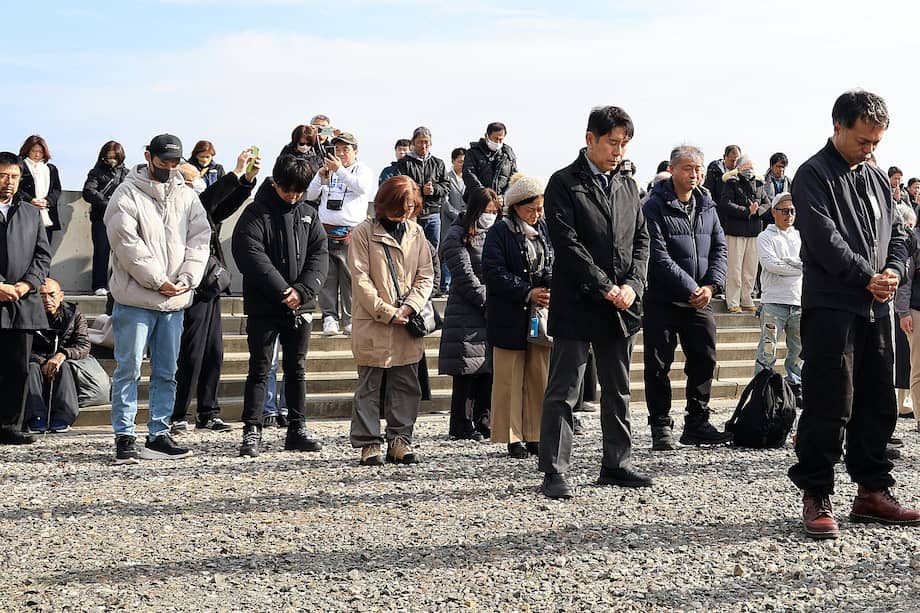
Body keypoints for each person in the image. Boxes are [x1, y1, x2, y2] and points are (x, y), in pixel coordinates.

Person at [788, 89, 919, 539]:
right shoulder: (812, 175)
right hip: (831, 305)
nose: (870, 150)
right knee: (829, 401)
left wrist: (894, 271)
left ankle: (871, 491)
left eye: (876, 143)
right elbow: (824, 239)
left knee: (878, 399)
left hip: (876, 306)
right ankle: (817, 492)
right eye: (863, 141)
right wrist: (866, 275)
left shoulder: (878, 177)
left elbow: (900, 232)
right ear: (838, 127)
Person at [538, 106, 650, 499]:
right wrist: (604, 285)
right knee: (565, 389)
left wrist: (634, 284)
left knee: (617, 387)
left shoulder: (628, 185)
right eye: (611, 143)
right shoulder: (564, 183)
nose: (617, 152)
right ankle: (554, 470)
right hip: (578, 301)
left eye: (623, 144)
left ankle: (616, 463)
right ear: (590, 139)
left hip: (621, 304)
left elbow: (641, 239)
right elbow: (567, 244)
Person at [105, 134, 211, 464]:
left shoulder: (187, 195)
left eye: (174, 163)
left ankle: (158, 433)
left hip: (174, 299)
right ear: (149, 156)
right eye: (163, 162)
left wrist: (187, 278)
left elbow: (200, 238)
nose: (169, 168)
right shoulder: (125, 194)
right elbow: (126, 244)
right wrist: (158, 280)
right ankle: (124, 435)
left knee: (167, 370)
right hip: (136, 298)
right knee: (129, 368)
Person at [232, 154, 329, 458]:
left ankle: (297, 428)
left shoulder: (309, 215)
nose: (293, 196)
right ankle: (252, 429)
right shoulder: (256, 213)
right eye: (289, 190)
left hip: (300, 307)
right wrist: (282, 290)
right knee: (260, 368)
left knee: (296, 369)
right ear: (276, 182)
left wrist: (301, 291)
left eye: (300, 191)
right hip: (264, 305)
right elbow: (249, 253)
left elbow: (319, 256)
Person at [642, 145, 730, 451]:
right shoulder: (653, 207)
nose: (694, 174)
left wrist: (711, 286)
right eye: (688, 168)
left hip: (700, 298)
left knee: (705, 357)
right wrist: (690, 287)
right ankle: (660, 424)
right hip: (663, 298)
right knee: (657, 364)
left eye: (699, 169)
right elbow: (658, 255)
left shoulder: (707, 205)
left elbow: (720, 248)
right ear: (673, 169)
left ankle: (697, 421)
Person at [170, 148, 262, 434]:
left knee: (214, 351)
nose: (198, 184)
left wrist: (246, 181)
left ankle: (208, 411)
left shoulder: (199, 205)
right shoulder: (179, 204)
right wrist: (234, 173)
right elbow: (208, 199)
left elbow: (222, 207)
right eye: (193, 180)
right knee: (191, 351)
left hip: (210, 285)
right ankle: (179, 413)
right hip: (188, 284)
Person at [348, 175, 434, 466]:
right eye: (402, 206)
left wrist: (410, 307)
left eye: (411, 206)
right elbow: (360, 279)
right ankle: (368, 443)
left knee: (406, 384)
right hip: (373, 320)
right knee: (369, 385)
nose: (407, 212)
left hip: (407, 321)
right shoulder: (362, 233)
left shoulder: (416, 232)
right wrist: (386, 311)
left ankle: (400, 440)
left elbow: (426, 275)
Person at [483, 175, 553, 458]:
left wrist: (548, 286)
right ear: (515, 207)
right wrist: (527, 291)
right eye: (530, 210)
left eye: (540, 209)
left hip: (539, 316)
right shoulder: (499, 232)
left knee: (539, 376)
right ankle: (512, 436)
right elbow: (493, 272)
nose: (536, 215)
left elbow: (553, 260)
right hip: (510, 313)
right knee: (509, 378)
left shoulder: (545, 230)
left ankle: (536, 432)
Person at [0, 151, 51, 445]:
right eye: (4, 175)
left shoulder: (31, 213)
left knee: (18, 368)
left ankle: (9, 425)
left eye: (15, 177)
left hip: (23, 301)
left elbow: (43, 256)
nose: (9, 182)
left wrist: (27, 285)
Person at [441, 187, 499, 441]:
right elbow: (464, 276)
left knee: (487, 368)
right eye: (487, 211)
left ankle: (483, 419)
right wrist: (489, 300)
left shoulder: (494, 234)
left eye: (494, 212)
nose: (491, 216)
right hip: (465, 310)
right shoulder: (457, 234)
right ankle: (461, 423)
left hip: (490, 309)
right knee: (466, 370)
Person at [306, 132, 375, 337]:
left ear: (355, 151)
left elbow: (362, 188)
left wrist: (341, 170)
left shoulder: (362, 170)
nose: (341, 153)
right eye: (337, 149)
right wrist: (320, 177)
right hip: (325, 230)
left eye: (346, 149)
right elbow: (310, 195)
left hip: (351, 233)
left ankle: (349, 318)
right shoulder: (329, 170)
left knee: (350, 278)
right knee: (327, 277)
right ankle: (329, 317)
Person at [754, 192, 803, 401]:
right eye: (785, 211)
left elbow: (807, 262)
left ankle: (795, 385)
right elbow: (770, 264)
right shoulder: (765, 236)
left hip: (798, 300)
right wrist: (798, 266)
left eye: (792, 211)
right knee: (767, 348)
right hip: (774, 301)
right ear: (774, 212)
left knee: (798, 350)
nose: (789, 215)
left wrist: (789, 263)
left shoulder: (801, 236)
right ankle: (762, 387)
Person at [27, 278, 92, 433]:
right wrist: (44, 361)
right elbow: (23, 347)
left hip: (64, 361)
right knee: (31, 367)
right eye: (42, 295)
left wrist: (62, 355)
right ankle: (35, 416)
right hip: (36, 360)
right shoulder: (28, 315)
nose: (47, 300)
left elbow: (83, 345)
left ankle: (64, 415)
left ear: (61, 296)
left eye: (51, 295)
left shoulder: (74, 315)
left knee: (65, 365)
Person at [719, 154, 770, 313]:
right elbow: (726, 204)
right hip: (735, 231)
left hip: (754, 231)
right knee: (734, 268)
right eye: (746, 168)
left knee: (750, 268)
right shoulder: (732, 183)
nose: (750, 171)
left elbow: (767, 204)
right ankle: (733, 301)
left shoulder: (760, 184)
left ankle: (746, 298)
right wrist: (746, 211)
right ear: (739, 168)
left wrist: (756, 212)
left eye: (751, 168)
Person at [82, 141, 128, 296]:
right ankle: (99, 284)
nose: (112, 160)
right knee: (102, 250)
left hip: (122, 218)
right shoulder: (96, 172)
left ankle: (118, 283)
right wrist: (108, 203)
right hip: (101, 218)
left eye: (115, 157)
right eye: (109, 157)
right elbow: (88, 191)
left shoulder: (127, 174)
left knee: (122, 252)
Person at [397, 127, 450, 251]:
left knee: (432, 250)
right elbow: (400, 185)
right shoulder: (404, 163)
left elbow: (447, 186)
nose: (424, 145)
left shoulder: (439, 163)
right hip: (411, 214)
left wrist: (434, 189)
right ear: (413, 143)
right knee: (410, 249)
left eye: (426, 142)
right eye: (420, 142)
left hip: (433, 214)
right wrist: (420, 190)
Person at [894, 203, 919, 423]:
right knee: (913, 364)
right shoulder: (912, 242)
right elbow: (905, 279)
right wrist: (903, 312)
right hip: (911, 308)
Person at [18, 135, 62, 245]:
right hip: (25, 213)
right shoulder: (20, 166)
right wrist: (31, 200)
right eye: (34, 151)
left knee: (44, 249)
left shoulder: (50, 169)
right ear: (27, 151)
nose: (37, 155)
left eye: (40, 152)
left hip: (46, 214)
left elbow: (56, 189)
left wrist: (48, 201)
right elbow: (17, 189)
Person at [462, 122, 518, 200]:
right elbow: (468, 174)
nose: (498, 142)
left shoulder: (508, 155)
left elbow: (513, 178)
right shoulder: (473, 152)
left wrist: (504, 196)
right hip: (477, 200)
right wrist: (484, 194)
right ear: (487, 136)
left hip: (500, 201)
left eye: (501, 139)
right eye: (495, 139)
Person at [439, 146, 467, 296]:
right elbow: (445, 203)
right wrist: (459, 215)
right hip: (450, 221)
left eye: (464, 161)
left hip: (466, 222)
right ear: (453, 161)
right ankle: (445, 285)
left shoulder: (469, 179)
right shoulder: (447, 178)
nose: (462, 164)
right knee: (446, 252)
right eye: (460, 161)